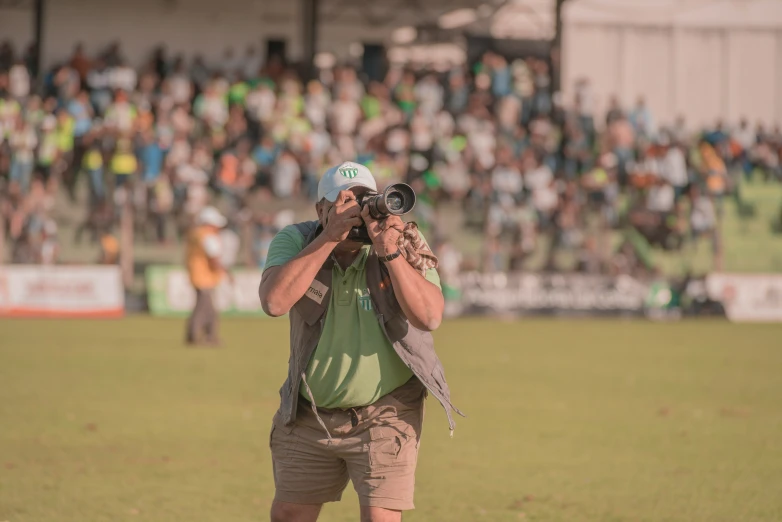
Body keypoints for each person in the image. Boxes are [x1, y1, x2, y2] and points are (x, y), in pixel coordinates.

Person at [258, 162, 461, 522]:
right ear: (321, 209)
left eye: (364, 200)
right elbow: (274, 302)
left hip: (386, 411)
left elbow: (429, 317)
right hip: (311, 412)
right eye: (344, 202)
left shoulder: (402, 239)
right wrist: (329, 238)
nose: (356, 211)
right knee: (289, 513)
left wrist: (390, 252)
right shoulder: (297, 240)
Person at [185, 206, 229, 346]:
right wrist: (225, 272)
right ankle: (197, 336)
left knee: (207, 308)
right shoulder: (208, 236)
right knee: (204, 309)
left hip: (196, 274)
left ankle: (208, 335)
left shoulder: (195, 234)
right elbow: (213, 257)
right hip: (205, 277)